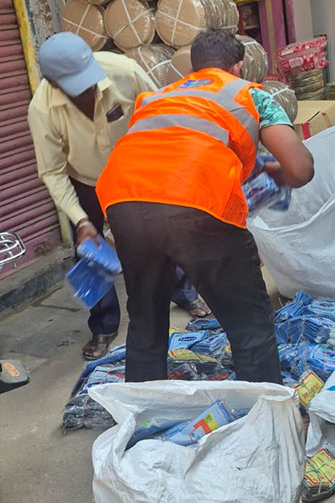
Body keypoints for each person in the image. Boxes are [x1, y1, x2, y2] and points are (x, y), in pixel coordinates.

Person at [96, 29, 314, 383]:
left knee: (146, 321)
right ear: (238, 67)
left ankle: (142, 409)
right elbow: (301, 170)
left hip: (123, 203)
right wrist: (275, 173)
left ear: (193, 68)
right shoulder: (248, 94)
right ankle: (263, 411)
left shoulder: (157, 97)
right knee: (249, 325)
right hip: (196, 205)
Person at [28, 33, 207, 361]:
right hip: (85, 180)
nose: (89, 91)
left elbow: (159, 114)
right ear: (53, 84)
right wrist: (81, 220)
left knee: (158, 234)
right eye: (77, 87)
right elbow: (52, 172)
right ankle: (104, 324)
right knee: (89, 250)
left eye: (89, 82)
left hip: (134, 170)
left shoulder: (123, 71)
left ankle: (181, 290)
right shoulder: (41, 110)